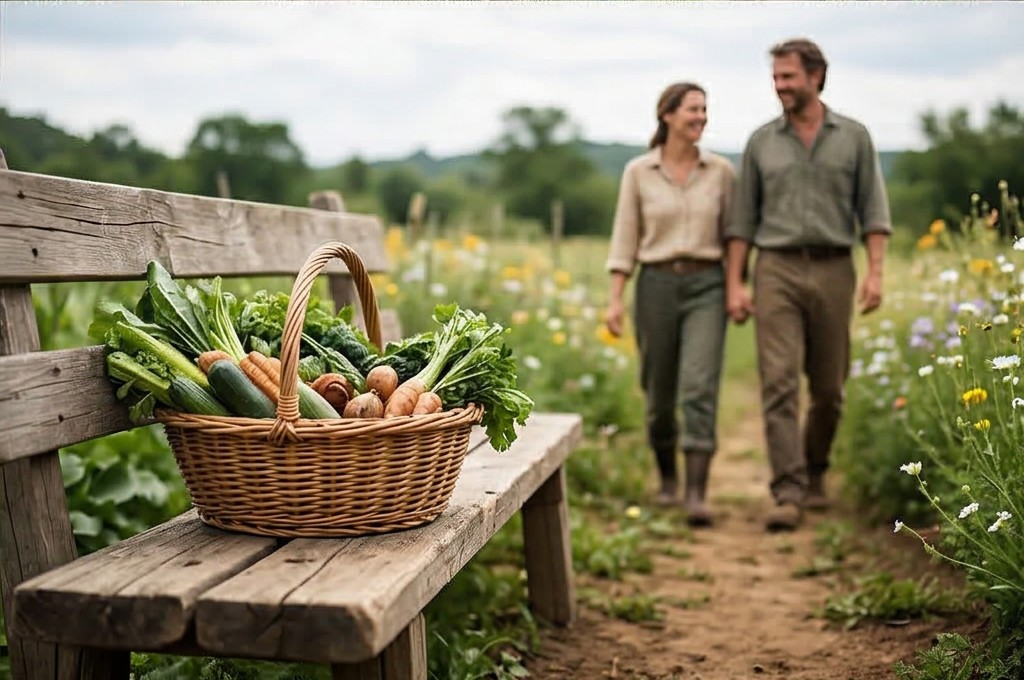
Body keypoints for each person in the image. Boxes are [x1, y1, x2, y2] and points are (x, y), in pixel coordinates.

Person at [724, 38, 892, 531]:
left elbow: (874, 211)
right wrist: (736, 284)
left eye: (788, 77)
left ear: (816, 76)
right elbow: (742, 221)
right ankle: (788, 490)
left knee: (829, 388)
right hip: (775, 268)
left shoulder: (854, 137)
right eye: (775, 77)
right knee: (778, 382)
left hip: (835, 267)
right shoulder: (761, 141)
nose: (779, 86)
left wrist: (876, 273)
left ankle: (815, 469)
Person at [604, 81, 735, 527]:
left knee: (699, 386)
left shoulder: (721, 172)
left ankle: (696, 493)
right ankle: (667, 479)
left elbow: (734, 237)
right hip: (655, 285)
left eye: (704, 109)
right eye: (692, 109)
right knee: (659, 391)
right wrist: (615, 299)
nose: (701, 117)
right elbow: (625, 237)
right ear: (668, 115)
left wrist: (737, 287)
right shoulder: (639, 172)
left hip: (707, 285)